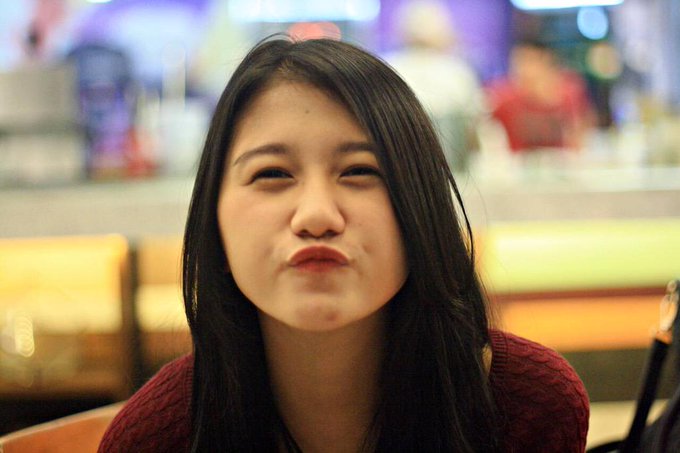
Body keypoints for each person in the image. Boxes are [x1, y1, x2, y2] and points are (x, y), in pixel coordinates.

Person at [98, 36, 589, 452]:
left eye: (359, 171)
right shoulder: (156, 439)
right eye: (272, 174)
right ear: (215, 222)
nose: (316, 216)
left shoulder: (528, 406)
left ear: (420, 210)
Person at [384, 0, 485, 173]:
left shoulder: (389, 67)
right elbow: (472, 130)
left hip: (400, 171)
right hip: (452, 170)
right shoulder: (458, 70)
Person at [486, 39, 595, 153]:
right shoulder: (504, 97)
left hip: (561, 160)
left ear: (546, 61)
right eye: (518, 63)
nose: (522, 70)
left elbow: (581, 129)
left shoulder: (569, 92)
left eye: (529, 61)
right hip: (521, 162)